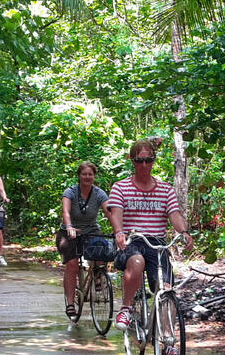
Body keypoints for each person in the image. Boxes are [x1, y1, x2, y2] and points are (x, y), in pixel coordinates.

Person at [107, 138, 192, 333]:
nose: (143, 165)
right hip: (132, 240)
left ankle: (168, 338)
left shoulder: (165, 189)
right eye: (139, 161)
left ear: (153, 161)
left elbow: (175, 215)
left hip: (156, 243)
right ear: (132, 161)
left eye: (147, 160)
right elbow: (116, 214)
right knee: (136, 262)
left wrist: (184, 232)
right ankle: (126, 308)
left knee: (166, 288)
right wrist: (119, 232)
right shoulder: (120, 187)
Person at [60, 162, 111, 319]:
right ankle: (70, 303)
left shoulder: (99, 193)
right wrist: (69, 226)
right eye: (84, 174)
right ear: (79, 176)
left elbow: (109, 211)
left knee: (103, 250)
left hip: (90, 230)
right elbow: (66, 212)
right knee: (72, 264)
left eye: (90, 174)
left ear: (94, 176)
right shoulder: (70, 192)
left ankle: (97, 275)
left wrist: (119, 228)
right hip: (70, 232)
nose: (87, 177)